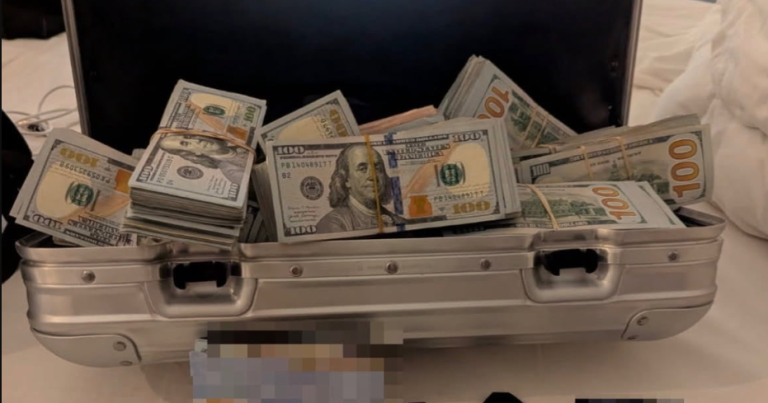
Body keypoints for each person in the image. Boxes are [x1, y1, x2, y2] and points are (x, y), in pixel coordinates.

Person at [316, 144, 406, 233]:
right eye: (362, 169)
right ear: (346, 179)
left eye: (378, 168)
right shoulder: (333, 224)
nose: (373, 176)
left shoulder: (400, 222)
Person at [157, 132, 249, 184]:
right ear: (193, 153)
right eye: (186, 143)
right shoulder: (232, 172)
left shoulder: (237, 144)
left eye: (188, 136)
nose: (196, 140)